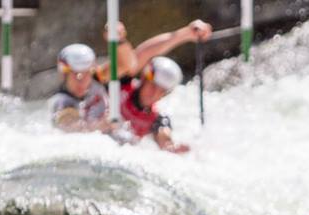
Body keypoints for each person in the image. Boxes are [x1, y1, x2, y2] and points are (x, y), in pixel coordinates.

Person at [49, 19, 212, 146]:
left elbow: (134, 60)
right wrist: (99, 125)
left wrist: (119, 41)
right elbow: (68, 126)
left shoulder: (100, 80)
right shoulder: (62, 101)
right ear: (64, 73)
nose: (83, 80)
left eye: (86, 74)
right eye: (76, 75)